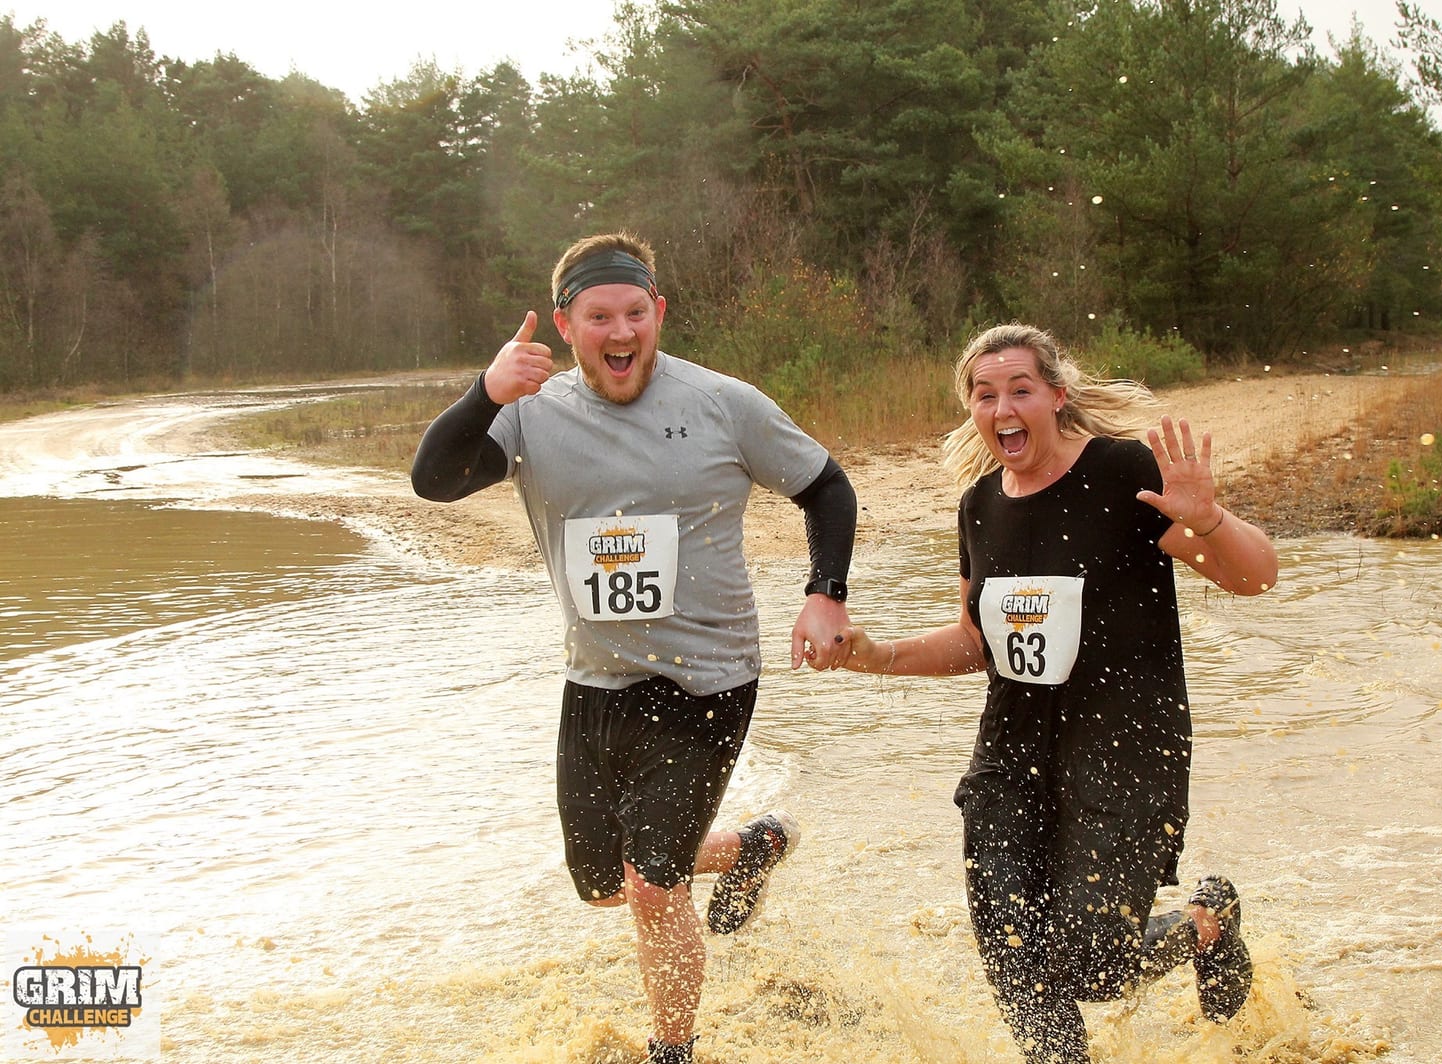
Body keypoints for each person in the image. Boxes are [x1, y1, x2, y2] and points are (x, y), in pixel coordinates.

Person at [410, 232, 857, 1064]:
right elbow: (433, 481)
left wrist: (824, 591)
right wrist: (482, 393)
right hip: (596, 678)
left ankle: (673, 1051)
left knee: (654, 885)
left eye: (634, 312)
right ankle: (750, 847)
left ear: (659, 314)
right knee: (604, 884)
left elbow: (826, 486)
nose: (620, 332)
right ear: (564, 326)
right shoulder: (528, 413)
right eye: (598, 316)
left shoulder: (725, 402)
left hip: (709, 680)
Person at [841, 323, 1279, 1063]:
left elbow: (1254, 577)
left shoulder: (1119, 473)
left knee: (1092, 965)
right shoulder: (980, 504)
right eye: (986, 395)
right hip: (1011, 757)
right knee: (1013, 955)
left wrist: (1208, 517)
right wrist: (873, 654)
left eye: (1020, 389)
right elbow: (976, 643)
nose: (1003, 406)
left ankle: (1206, 918)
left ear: (1056, 396)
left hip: (1126, 747)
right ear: (972, 410)